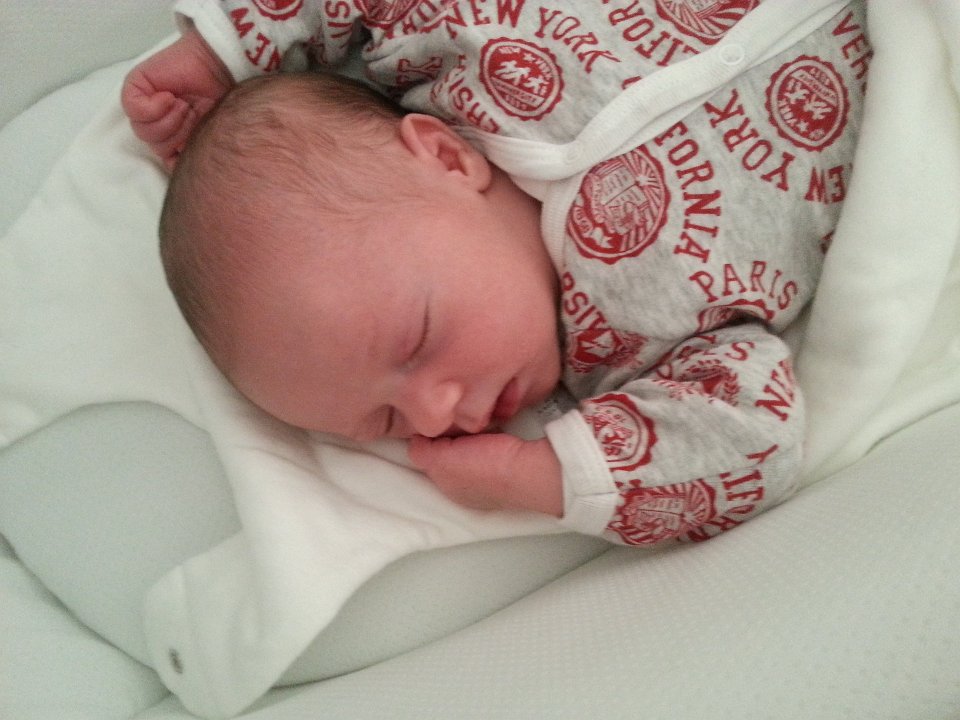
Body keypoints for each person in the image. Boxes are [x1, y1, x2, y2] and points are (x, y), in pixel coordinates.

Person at [129, 1, 870, 545]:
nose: (433, 417)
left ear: (444, 158)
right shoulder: (633, 349)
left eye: (417, 341)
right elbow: (754, 440)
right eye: (386, 422)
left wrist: (220, 52)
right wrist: (539, 477)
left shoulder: (448, 43)